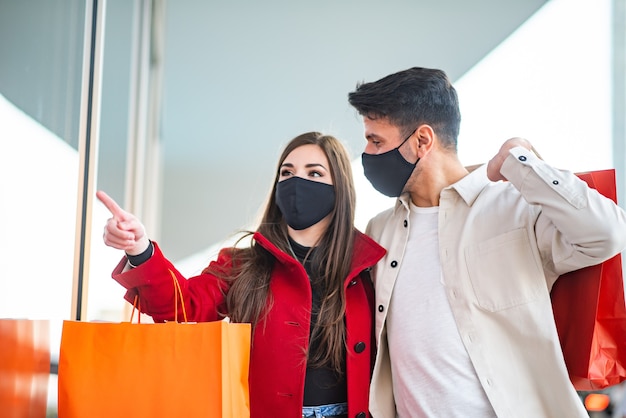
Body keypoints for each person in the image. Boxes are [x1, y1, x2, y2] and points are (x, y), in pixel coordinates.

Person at [347, 67, 626, 418]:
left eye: (376, 141)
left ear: (422, 141)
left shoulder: (515, 208)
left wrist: (523, 163)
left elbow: (606, 234)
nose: (368, 155)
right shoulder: (379, 230)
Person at [96, 131, 386, 418]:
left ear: (340, 188)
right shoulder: (243, 264)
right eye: (287, 173)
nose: (297, 182)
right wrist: (141, 250)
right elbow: (182, 305)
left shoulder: (368, 267)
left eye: (314, 174)